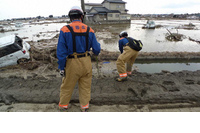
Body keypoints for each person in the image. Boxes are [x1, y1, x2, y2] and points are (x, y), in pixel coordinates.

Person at [57, 6, 101, 112]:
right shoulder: (89, 30)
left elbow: (61, 52)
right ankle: (84, 107)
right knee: (85, 86)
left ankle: (63, 106)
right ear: (81, 16)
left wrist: (61, 67)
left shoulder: (64, 29)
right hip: (86, 62)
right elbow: (96, 49)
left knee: (67, 86)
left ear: (70, 17)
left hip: (72, 63)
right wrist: (94, 51)